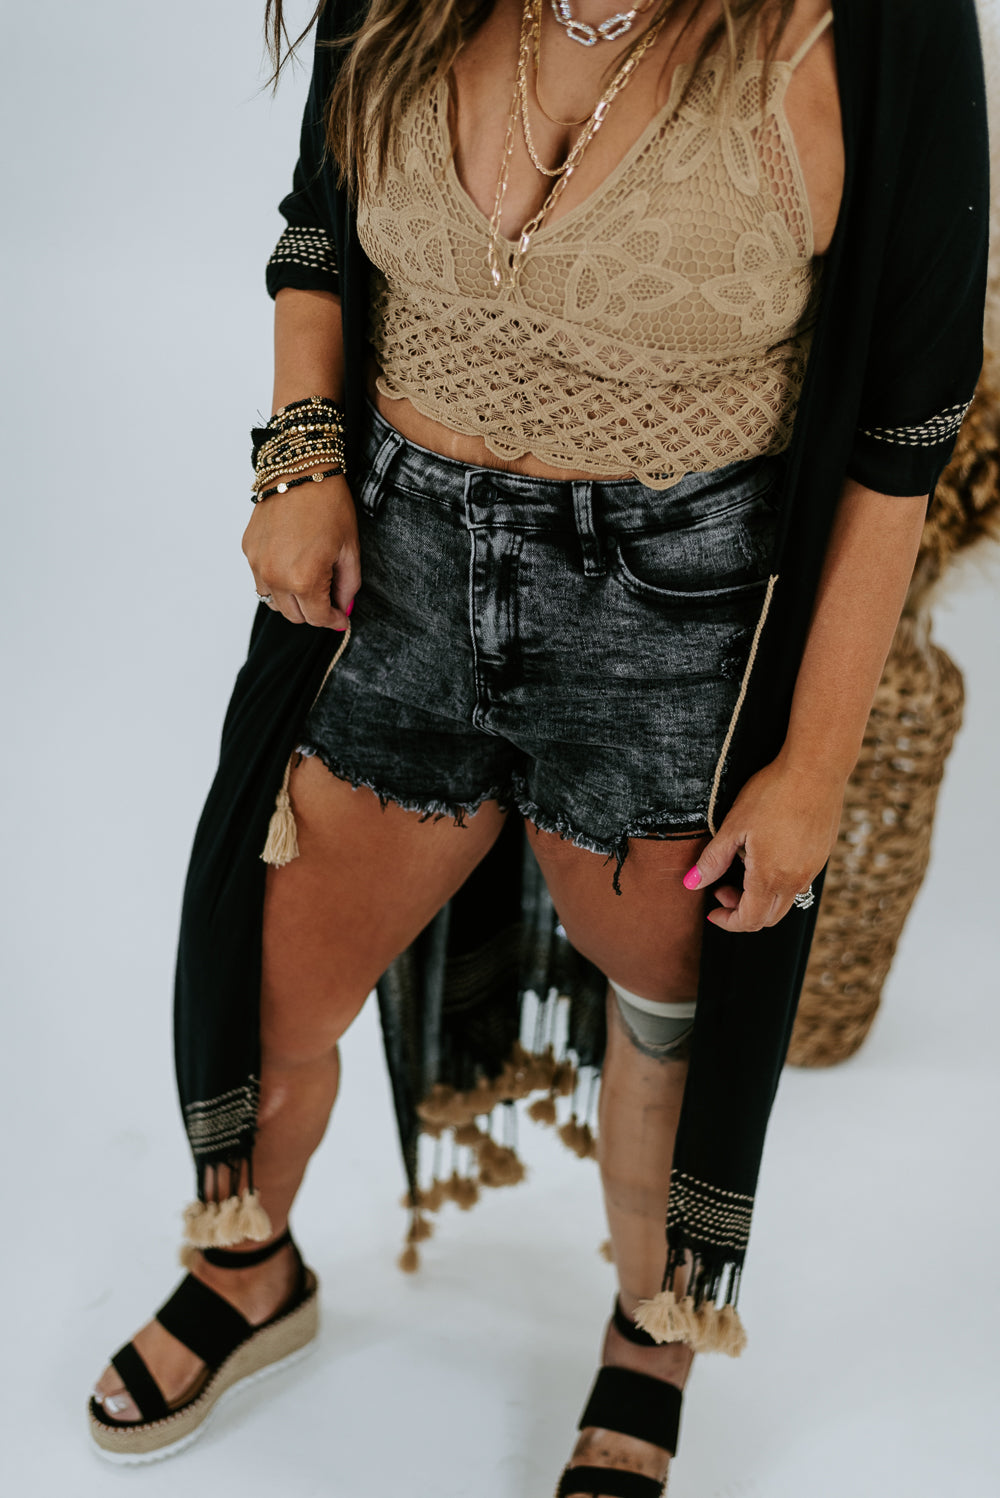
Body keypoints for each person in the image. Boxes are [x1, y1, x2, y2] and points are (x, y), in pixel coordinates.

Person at [89, 1, 988, 1492]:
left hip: (676, 623)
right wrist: (299, 457)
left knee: (669, 1024)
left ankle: (650, 1334)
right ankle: (249, 1268)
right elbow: (316, 229)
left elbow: (907, 423)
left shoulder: (875, 25)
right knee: (266, 989)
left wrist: (815, 764)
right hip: (396, 582)